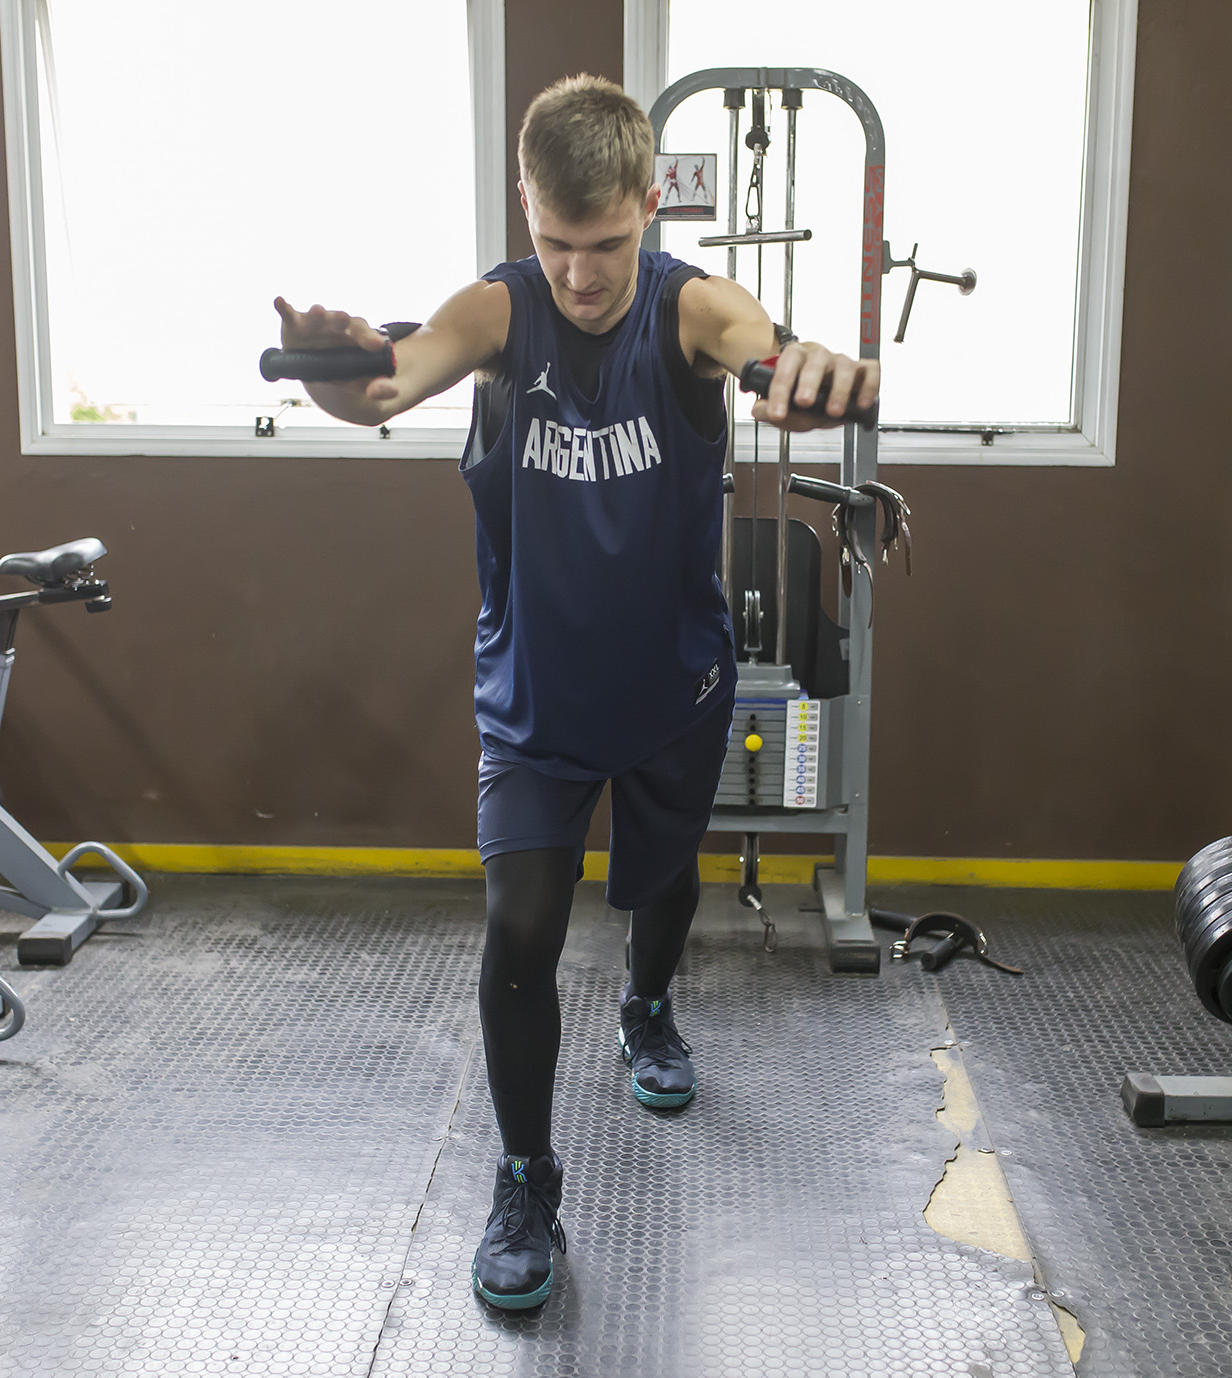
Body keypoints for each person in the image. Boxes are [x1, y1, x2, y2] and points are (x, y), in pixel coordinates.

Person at [271, 74, 878, 1312]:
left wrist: (792, 365)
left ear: (650, 204)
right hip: (535, 701)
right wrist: (337, 366)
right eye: (557, 241)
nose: (581, 275)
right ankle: (524, 1178)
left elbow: (751, 338)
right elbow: (387, 384)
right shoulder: (500, 310)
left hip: (672, 685)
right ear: (525, 204)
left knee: (663, 883)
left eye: (604, 244)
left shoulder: (686, 306)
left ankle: (648, 1006)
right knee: (520, 932)